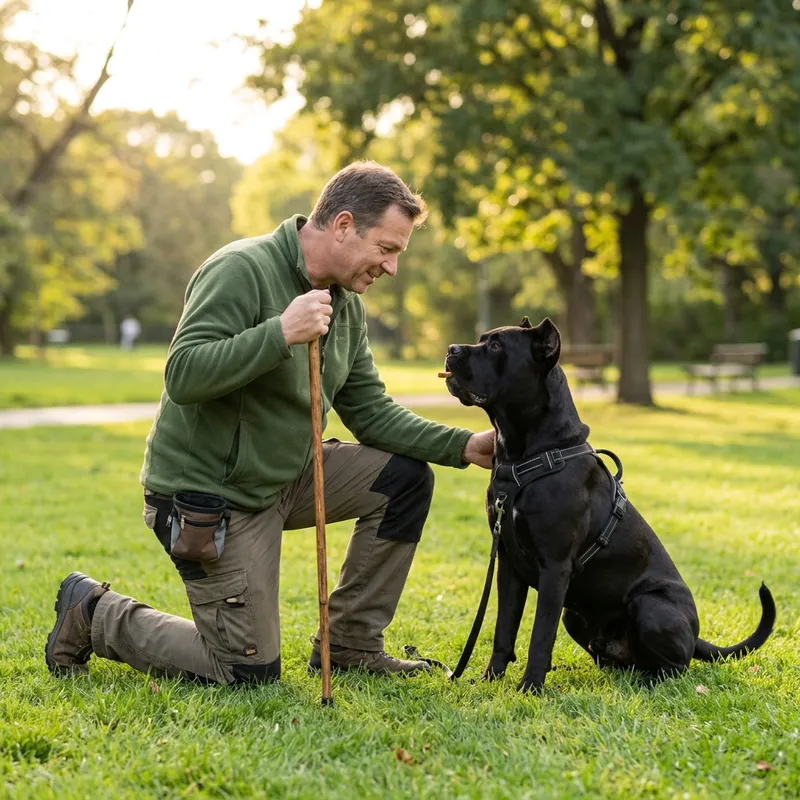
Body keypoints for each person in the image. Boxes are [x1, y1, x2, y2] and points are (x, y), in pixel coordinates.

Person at [45, 161, 495, 686]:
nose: (392, 267)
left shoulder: (348, 306)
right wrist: (278, 333)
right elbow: (184, 375)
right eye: (387, 249)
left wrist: (465, 445)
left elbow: (369, 411)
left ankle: (351, 644)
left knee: (404, 479)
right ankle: (94, 613)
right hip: (211, 496)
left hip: (288, 476)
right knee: (246, 669)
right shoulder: (241, 268)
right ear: (344, 225)